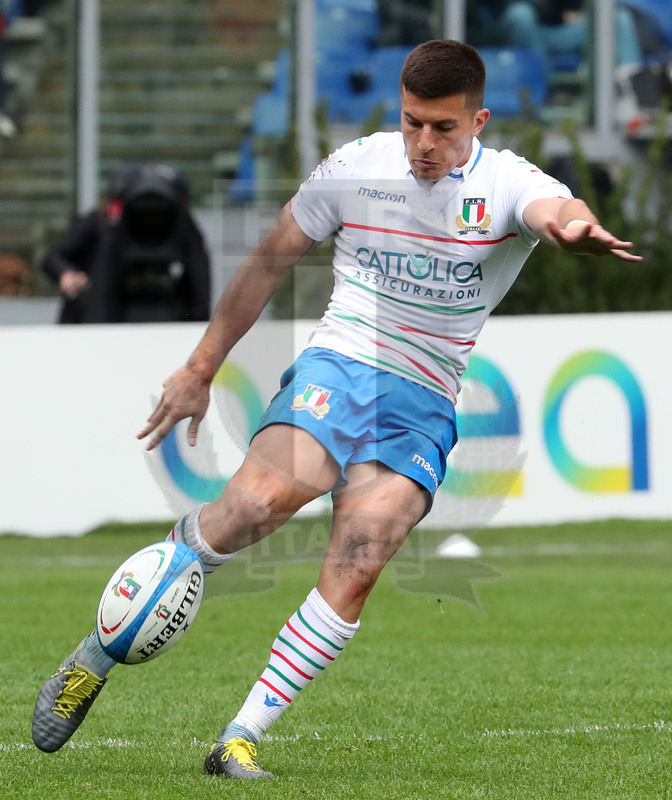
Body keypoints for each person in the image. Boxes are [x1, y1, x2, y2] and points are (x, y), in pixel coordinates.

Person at [31, 40, 641, 778]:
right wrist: (200, 368)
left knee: (361, 556)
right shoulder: (357, 168)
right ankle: (93, 657)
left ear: (477, 120)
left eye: (444, 128)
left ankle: (239, 738)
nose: (424, 143)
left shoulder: (509, 183)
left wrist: (574, 226)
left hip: (423, 399)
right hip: (342, 366)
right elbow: (269, 260)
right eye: (414, 122)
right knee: (251, 509)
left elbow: (553, 208)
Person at [42, 162, 211, 324]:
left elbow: (198, 274)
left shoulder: (178, 222)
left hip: (166, 310)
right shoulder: (97, 224)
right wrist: (66, 272)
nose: (150, 220)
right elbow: (53, 257)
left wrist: (199, 322)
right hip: (102, 312)